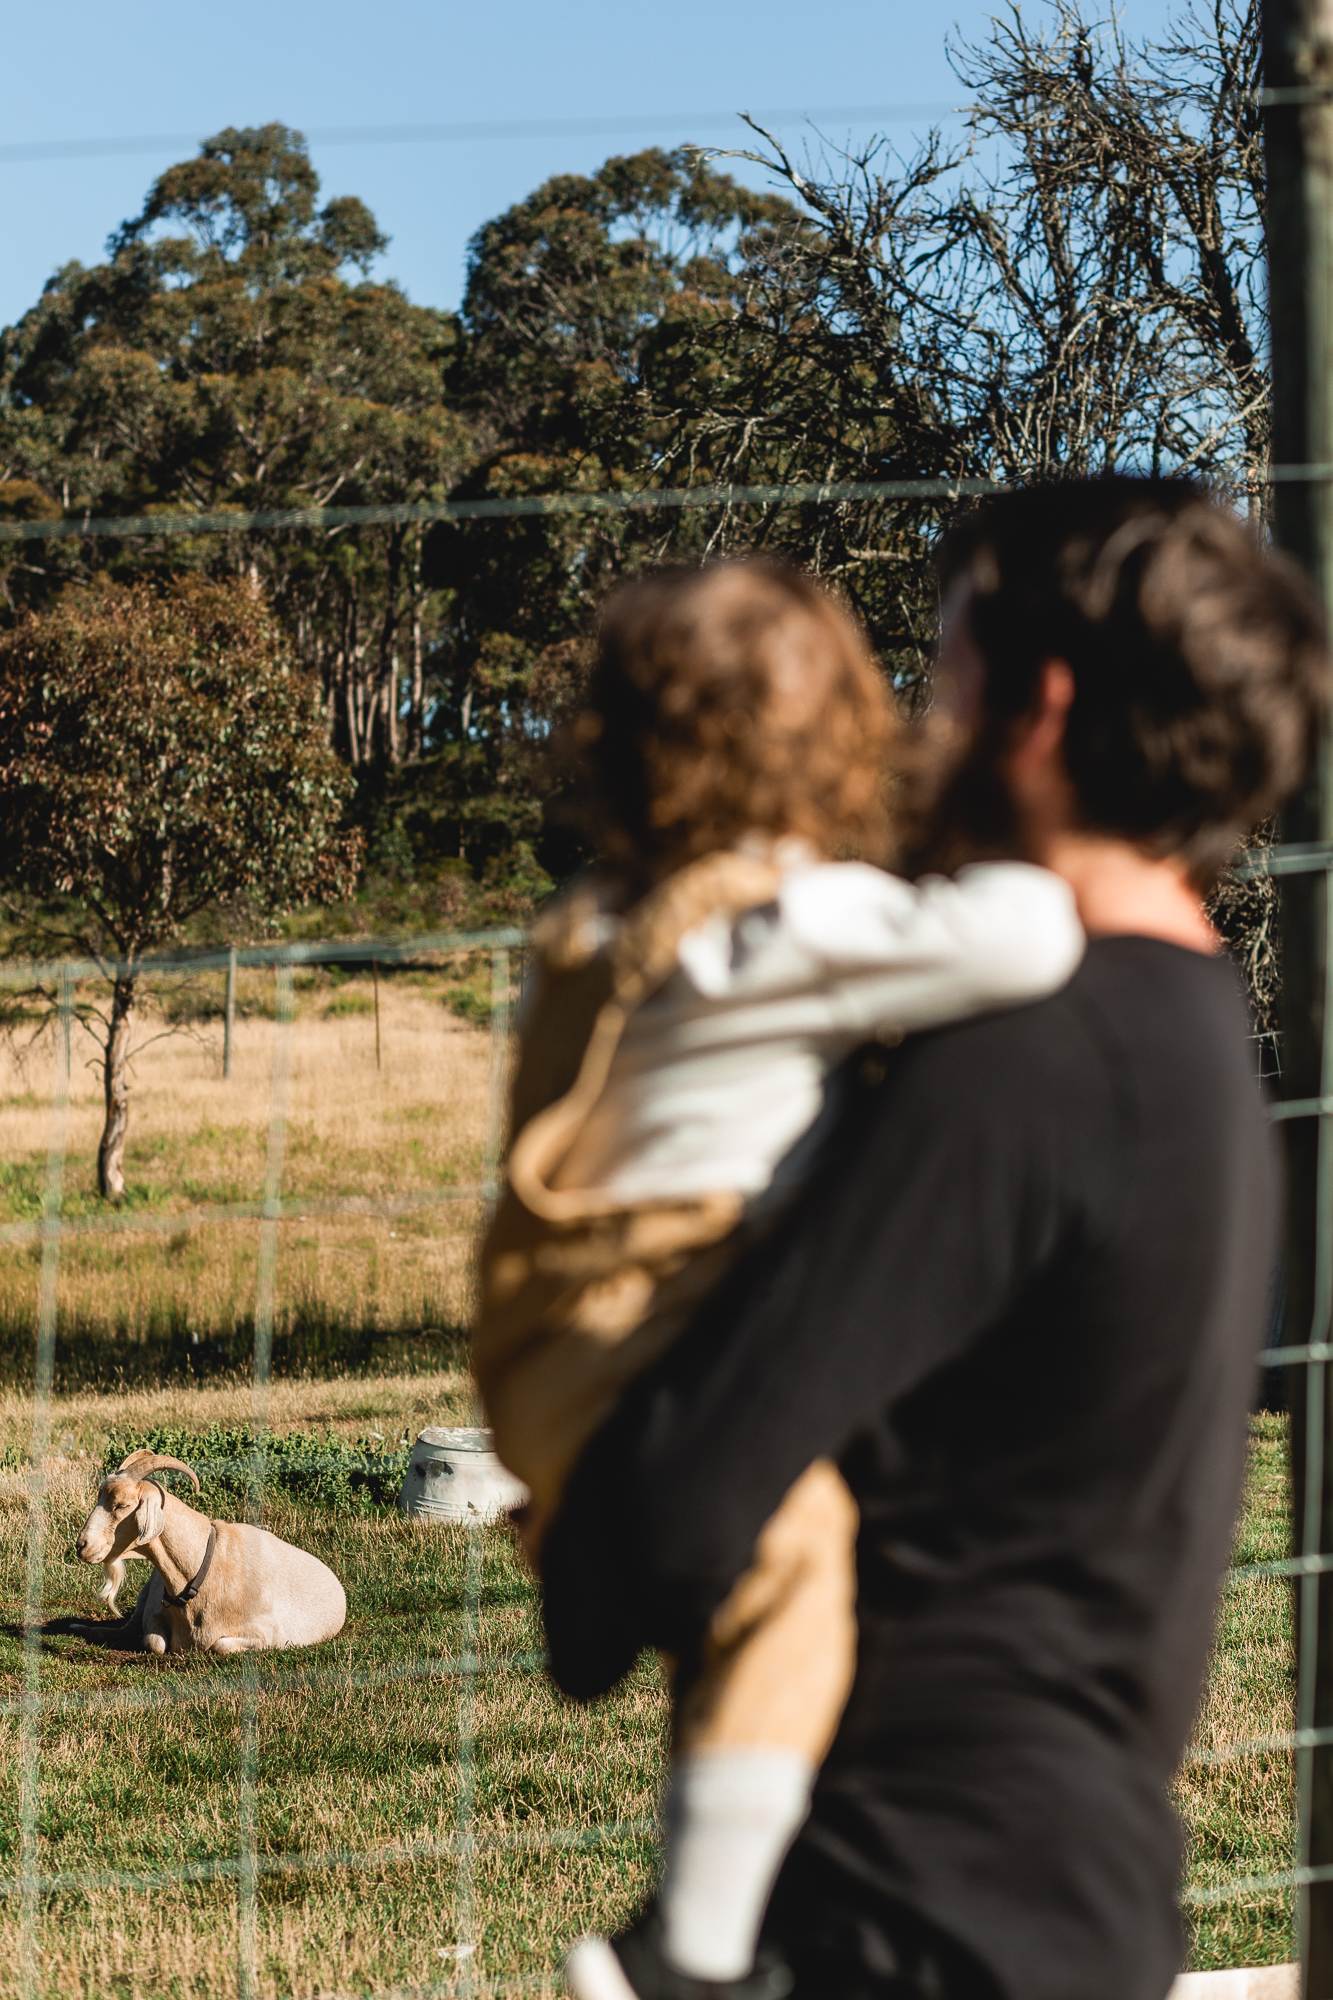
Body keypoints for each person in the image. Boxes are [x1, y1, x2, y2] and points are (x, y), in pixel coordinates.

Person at [539, 477, 1330, 2000]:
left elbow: (688, 1504)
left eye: (944, 671)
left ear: (1035, 703)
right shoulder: (1179, 1024)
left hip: (909, 1913)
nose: (914, 720)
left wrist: (589, 1525)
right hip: (1039, 1888)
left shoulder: (1032, 1053)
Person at [470, 558, 1084, 1998]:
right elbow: (1027, 938)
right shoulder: (786, 925)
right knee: (793, 1567)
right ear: (838, 743)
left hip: (540, 1348)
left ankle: (593, 1561)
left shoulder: (607, 919)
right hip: (651, 1317)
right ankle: (693, 1948)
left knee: (731, 1579)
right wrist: (967, 826)